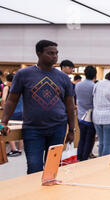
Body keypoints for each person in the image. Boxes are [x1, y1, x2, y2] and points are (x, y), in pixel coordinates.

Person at [0, 40, 75, 174]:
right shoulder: (23, 74)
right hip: (33, 128)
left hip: (58, 127)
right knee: (34, 167)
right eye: (50, 53)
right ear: (39, 53)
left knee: (52, 167)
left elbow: (70, 104)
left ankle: (50, 194)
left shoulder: (63, 78)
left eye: (56, 53)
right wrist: (4, 122)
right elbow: (11, 100)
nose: (55, 56)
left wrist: (72, 129)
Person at [75, 65, 97, 161]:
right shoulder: (94, 86)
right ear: (95, 75)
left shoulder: (78, 85)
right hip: (91, 115)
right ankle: (84, 159)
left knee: (82, 137)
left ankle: (79, 156)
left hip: (80, 115)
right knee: (90, 139)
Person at [1, 73, 24, 157]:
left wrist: (4, 108)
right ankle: (20, 148)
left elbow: (3, 99)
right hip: (22, 111)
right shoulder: (21, 87)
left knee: (9, 129)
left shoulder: (7, 88)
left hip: (12, 111)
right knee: (22, 129)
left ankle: (14, 149)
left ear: (9, 81)